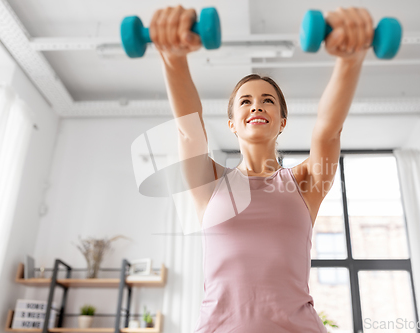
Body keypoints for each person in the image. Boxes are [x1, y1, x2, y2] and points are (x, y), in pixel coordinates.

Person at [150, 5, 373, 332]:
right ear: (232, 124)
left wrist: (350, 60)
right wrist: (172, 57)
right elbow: (188, 130)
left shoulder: (304, 182)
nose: (257, 105)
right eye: (245, 101)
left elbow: (328, 132)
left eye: (268, 100)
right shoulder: (209, 181)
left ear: (281, 121)